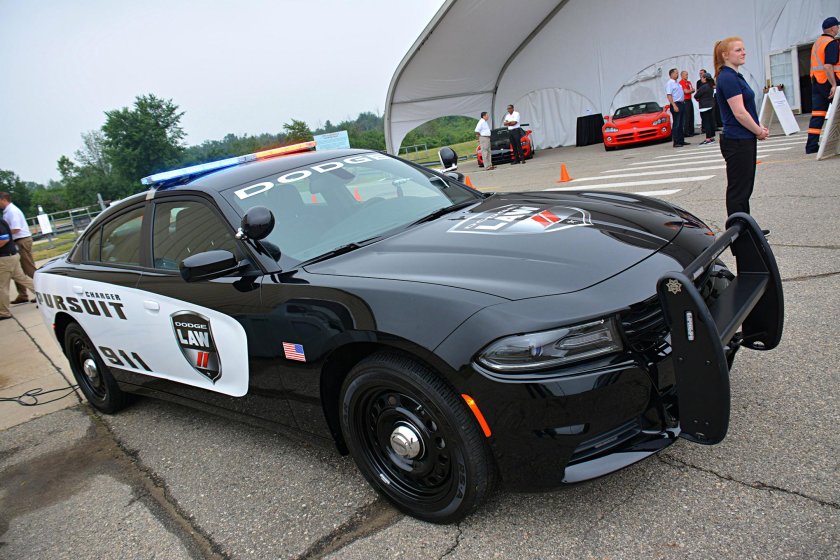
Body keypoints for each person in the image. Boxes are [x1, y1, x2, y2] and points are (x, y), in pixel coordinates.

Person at [714, 36, 769, 216]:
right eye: (738, 50)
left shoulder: (736, 76)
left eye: (743, 49)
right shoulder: (727, 78)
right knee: (739, 191)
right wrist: (759, 131)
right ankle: (738, 234)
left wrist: (758, 126)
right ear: (725, 55)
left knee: (745, 189)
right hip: (737, 140)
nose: (743, 52)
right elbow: (739, 113)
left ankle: (746, 228)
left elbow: (747, 109)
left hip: (744, 138)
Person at [805, 16, 840, 154]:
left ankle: (811, 146)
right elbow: (827, 66)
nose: (838, 28)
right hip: (829, 82)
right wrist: (833, 85)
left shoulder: (818, 42)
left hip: (817, 82)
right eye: (837, 26)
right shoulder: (831, 43)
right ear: (832, 28)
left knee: (818, 114)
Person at [0, 192, 35, 304]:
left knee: (28, 268)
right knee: (16, 271)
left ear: (4, 200)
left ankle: (41, 291)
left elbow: (16, 229)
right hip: (16, 241)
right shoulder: (7, 211)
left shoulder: (12, 211)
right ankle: (23, 295)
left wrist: (4, 236)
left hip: (21, 240)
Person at [0, 217, 36, 321]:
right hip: (11, 256)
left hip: (4, 259)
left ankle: (3, 313)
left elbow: (4, 238)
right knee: (23, 279)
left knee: (2, 286)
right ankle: (42, 295)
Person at [666, 69, 688, 147]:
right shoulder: (670, 83)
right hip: (676, 104)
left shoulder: (677, 83)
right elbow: (669, 95)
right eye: (676, 73)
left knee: (681, 123)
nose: (677, 74)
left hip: (681, 103)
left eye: (678, 73)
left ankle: (681, 140)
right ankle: (676, 141)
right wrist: (674, 105)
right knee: (677, 123)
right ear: (671, 74)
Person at [695, 71, 717, 144]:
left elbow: (696, 95)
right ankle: (712, 137)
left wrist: (698, 98)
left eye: (702, 77)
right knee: (711, 122)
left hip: (704, 107)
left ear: (705, 79)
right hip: (711, 105)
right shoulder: (711, 86)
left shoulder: (704, 87)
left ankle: (708, 139)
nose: (701, 79)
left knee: (706, 123)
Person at [680, 70, 696, 137]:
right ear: (682, 75)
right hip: (685, 101)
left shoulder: (688, 82)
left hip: (689, 100)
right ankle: (686, 132)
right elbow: (686, 91)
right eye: (686, 74)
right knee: (687, 117)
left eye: (687, 74)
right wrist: (691, 90)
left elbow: (693, 89)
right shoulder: (681, 82)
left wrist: (690, 90)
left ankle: (691, 131)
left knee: (691, 116)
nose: (687, 76)